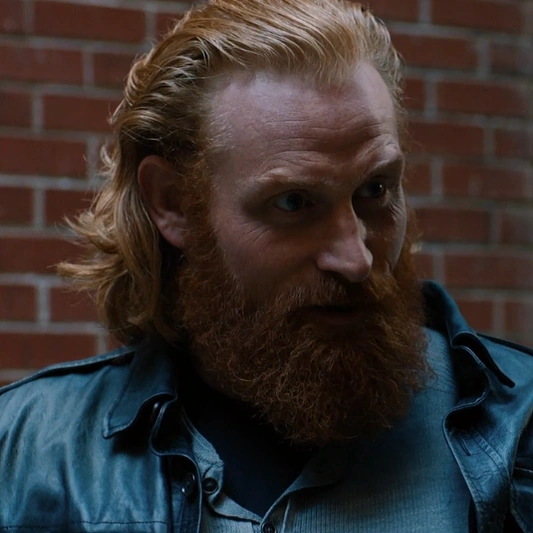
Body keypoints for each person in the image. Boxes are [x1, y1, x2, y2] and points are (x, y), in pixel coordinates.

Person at [0, 0, 532, 531]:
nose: (356, 259)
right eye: (294, 204)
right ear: (174, 204)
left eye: (375, 191)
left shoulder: (518, 432)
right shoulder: (28, 458)